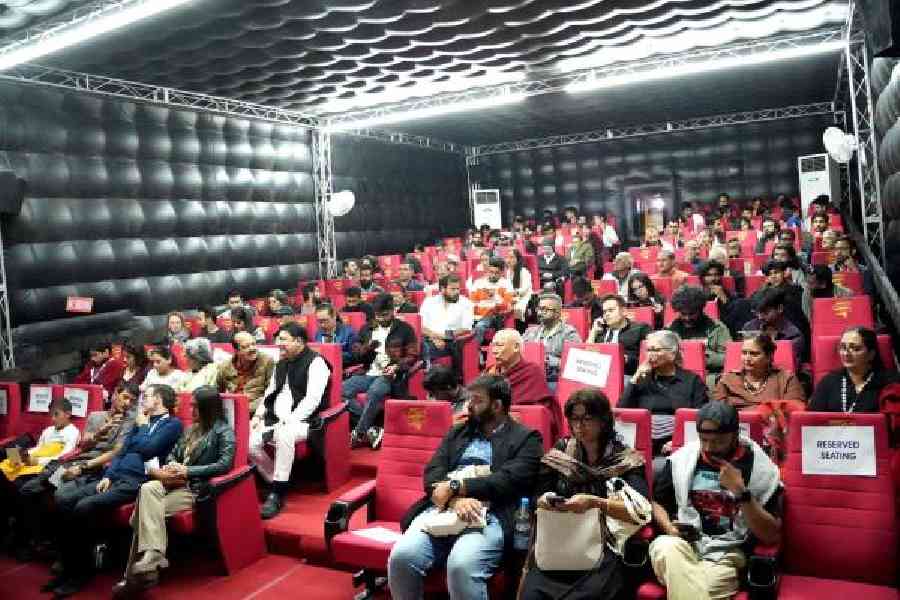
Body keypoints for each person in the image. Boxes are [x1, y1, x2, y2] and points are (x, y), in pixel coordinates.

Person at [387, 375, 542, 600]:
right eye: (469, 399)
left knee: (461, 566)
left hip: (489, 513)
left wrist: (457, 485)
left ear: (497, 405)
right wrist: (455, 500)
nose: (468, 405)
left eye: (477, 400)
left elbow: (506, 481)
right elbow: (432, 473)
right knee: (401, 557)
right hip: (443, 510)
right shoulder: (458, 432)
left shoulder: (526, 438)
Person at [49, 384, 182, 597]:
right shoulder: (140, 424)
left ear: (158, 400)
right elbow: (122, 452)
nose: (142, 400)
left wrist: (145, 427)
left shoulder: (173, 424)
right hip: (115, 477)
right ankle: (67, 568)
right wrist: (109, 475)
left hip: (136, 481)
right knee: (64, 501)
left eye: (147, 396)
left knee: (83, 507)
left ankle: (81, 573)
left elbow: (149, 449)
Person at [518, 388, 650, 600]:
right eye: (574, 418)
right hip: (561, 539)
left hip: (607, 544)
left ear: (604, 420)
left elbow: (640, 509)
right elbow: (537, 497)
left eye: (588, 419)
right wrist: (545, 500)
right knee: (532, 594)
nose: (579, 426)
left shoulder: (625, 460)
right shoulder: (560, 454)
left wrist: (595, 503)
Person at [649, 402, 782, 600]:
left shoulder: (761, 469)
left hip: (727, 553)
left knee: (703, 586)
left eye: (718, 441)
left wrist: (741, 493)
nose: (709, 448)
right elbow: (656, 503)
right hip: (684, 544)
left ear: (735, 435)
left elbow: (771, 535)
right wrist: (669, 527)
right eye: (704, 440)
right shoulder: (683, 459)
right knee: (665, 546)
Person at [113, 386, 235, 596]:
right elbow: (172, 454)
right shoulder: (190, 430)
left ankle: (134, 578)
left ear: (207, 408)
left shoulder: (223, 432)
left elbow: (224, 465)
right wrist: (169, 468)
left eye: (195, 407)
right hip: (171, 483)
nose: (191, 410)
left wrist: (188, 471)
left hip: (193, 489)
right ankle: (153, 557)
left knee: (143, 512)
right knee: (149, 487)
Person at [15, 384, 137, 559]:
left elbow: (115, 452)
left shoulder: (128, 422)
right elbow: (84, 446)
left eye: (131, 401)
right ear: (115, 394)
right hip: (76, 460)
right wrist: (101, 432)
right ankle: (36, 540)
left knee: (59, 494)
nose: (127, 403)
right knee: (30, 489)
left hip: (95, 467)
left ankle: (59, 548)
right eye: (125, 397)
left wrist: (82, 468)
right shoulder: (96, 416)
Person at [249, 323, 331, 519]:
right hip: (274, 419)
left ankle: (278, 492)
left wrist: (290, 421)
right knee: (248, 443)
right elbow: (269, 393)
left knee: (285, 434)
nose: (279, 344)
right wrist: (258, 415)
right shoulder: (282, 363)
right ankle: (276, 480)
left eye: (283, 339)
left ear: (299, 341)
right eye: (278, 339)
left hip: (304, 422)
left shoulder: (316, 362)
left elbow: (312, 400)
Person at [342, 294, 419, 450]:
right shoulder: (367, 328)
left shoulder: (404, 329)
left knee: (374, 392)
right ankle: (372, 429)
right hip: (368, 372)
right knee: (339, 391)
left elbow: (413, 355)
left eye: (385, 315)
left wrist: (396, 366)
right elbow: (356, 354)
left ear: (393, 311)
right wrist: (367, 347)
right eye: (378, 316)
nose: (382, 319)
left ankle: (358, 432)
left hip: (389, 374)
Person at [619, 331, 708, 459]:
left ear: (672, 353)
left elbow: (699, 419)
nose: (650, 355)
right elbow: (621, 413)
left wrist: (679, 442)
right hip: (641, 445)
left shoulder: (692, 381)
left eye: (655, 350)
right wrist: (634, 380)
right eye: (648, 350)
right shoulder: (642, 379)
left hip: (677, 446)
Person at [485, 329, 561, 439]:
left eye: (500, 346)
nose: (494, 351)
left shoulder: (531, 372)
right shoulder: (489, 373)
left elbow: (543, 409)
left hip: (519, 428)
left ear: (516, 347)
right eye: (493, 346)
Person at [809, 326, 898, 413]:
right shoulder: (828, 381)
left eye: (855, 349)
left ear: (871, 354)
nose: (846, 353)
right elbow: (811, 419)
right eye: (843, 347)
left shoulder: (889, 383)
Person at [713, 334, 805, 409]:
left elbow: (795, 409)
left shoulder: (786, 379)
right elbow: (716, 412)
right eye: (744, 353)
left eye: (754, 354)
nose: (747, 359)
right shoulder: (727, 380)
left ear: (769, 356)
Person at [1, 399, 79, 483]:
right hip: (29, 459)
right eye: (51, 415)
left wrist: (37, 461)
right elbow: (39, 448)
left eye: (56, 414)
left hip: (43, 466)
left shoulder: (73, 432)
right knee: (9, 455)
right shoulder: (48, 430)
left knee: (15, 478)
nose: (53, 419)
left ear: (68, 414)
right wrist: (26, 454)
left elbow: (63, 457)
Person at [667, 286, 731, 380]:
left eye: (692, 314)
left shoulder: (717, 328)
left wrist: (704, 358)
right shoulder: (669, 330)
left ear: (700, 309)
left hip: (709, 377)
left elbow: (730, 357)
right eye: (683, 314)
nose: (687, 318)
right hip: (677, 378)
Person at [419, 274, 474, 378]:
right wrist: (434, 337)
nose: (456, 292)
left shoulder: (466, 303)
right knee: (422, 345)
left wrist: (443, 336)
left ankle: (439, 377)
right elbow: (421, 326)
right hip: (428, 338)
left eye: (458, 289)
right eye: (452, 289)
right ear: (442, 289)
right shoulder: (429, 302)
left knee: (433, 348)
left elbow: (466, 328)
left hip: (452, 339)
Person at [522, 293, 582, 386]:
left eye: (545, 309)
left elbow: (576, 364)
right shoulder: (530, 332)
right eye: (539, 309)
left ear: (557, 313)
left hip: (553, 379)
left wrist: (550, 360)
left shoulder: (569, 333)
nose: (540, 313)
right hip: (528, 377)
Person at [587, 294, 651, 376]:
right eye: (604, 312)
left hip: (627, 374)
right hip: (601, 374)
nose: (606, 314)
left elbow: (649, 356)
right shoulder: (601, 332)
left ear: (624, 312)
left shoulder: (640, 329)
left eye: (611, 310)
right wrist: (593, 332)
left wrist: (627, 359)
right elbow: (587, 356)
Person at [741, 289, 805, 368]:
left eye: (765, 312)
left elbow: (789, 366)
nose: (760, 317)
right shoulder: (749, 327)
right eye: (757, 312)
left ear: (780, 308)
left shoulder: (793, 335)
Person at [216, 331, 276, 411]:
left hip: (256, 409)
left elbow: (271, 393)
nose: (252, 349)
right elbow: (217, 391)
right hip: (231, 409)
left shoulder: (267, 361)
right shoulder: (225, 367)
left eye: (253, 344)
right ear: (237, 351)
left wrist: (246, 408)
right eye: (246, 347)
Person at [697, 260, 752, 339]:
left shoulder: (729, 295)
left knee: (742, 304)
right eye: (709, 275)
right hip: (704, 329)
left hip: (727, 330)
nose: (713, 278)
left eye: (716, 275)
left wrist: (724, 299)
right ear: (702, 278)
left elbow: (733, 318)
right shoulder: (697, 295)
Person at [470, 258, 515, 346]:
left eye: (496, 273)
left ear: (502, 273)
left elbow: (507, 305)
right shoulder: (478, 283)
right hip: (476, 315)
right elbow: (472, 302)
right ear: (487, 271)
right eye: (491, 272)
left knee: (479, 326)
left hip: (494, 316)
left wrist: (496, 296)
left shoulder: (506, 284)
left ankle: (474, 352)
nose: (493, 275)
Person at [505, 249, 534, 326]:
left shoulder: (524, 271)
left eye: (512, 257)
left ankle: (520, 330)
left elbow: (524, 289)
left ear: (517, 259)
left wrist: (515, 292)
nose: (509, 260)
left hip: (523, 297)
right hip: (510, 296)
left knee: (518, 309)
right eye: (507, 257)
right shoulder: (507, 272)